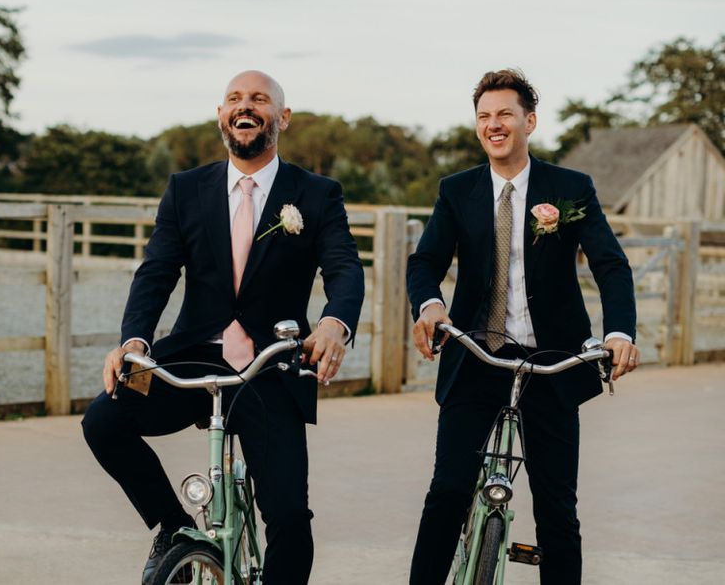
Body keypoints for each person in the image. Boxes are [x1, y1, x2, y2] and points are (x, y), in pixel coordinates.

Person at [82, 70, 365, 585]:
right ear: (221, 115)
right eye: (235, 98)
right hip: (192, 356)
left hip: (272, 367)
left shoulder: (318, 193)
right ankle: (174, 529)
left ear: (282, 117)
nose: (246, 106)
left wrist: (333, 323)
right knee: (103, 419)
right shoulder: (186, 189)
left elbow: (344, 267)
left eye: (259, 99)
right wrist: (134, 342)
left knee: (287, 518)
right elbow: (157, 271)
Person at [407, 68, 639, 585]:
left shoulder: (571, 188)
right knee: (447, 489)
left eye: (505, 114)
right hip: (476, 356)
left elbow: (611, 265)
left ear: (529, 121)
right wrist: (429, 306)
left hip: (552, 364)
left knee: (558, 508)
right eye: (484, 116)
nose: (494, 124)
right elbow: (424, 263)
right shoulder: (456, 190)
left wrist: (620, 332)